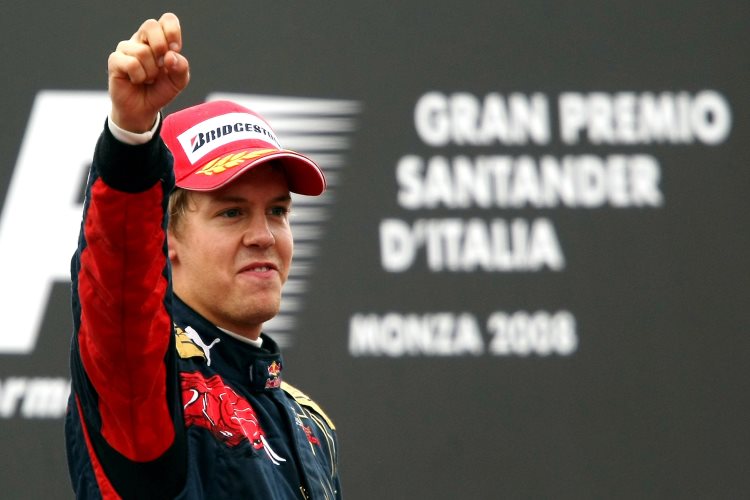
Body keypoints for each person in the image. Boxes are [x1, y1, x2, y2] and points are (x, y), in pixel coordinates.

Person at [65, 12, 341, 499]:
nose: (263, 236)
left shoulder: (310, 424)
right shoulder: (152, 388)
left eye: (277, 211)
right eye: (232, 214)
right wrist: (131, 139)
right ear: (165, 237)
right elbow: (119, 297)